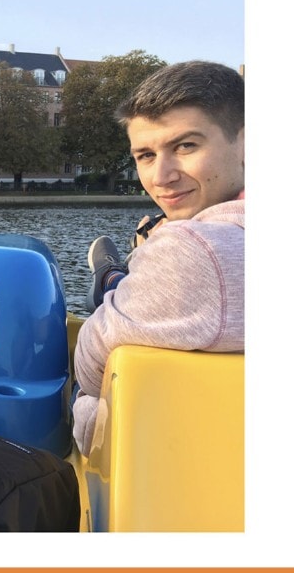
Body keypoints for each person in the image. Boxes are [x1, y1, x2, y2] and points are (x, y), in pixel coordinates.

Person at [73, 61, 245, 456]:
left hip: (169, 460)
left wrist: (162, 246)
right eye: (146, 155)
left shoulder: (192, 250)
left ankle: (111, 276)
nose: (161, 176)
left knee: (102, 306)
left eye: (186, 146)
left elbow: (89, 366)